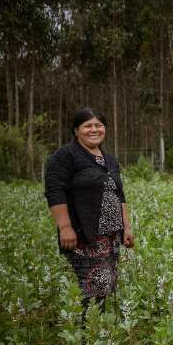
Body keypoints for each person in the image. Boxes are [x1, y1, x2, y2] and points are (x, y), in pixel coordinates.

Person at [44, 108, 134, 320]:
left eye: (99, 125)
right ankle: (87, 338)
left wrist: (126, 226)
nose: (94, 129)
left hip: (111, 237)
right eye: (88, 126)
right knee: (92, 288)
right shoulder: (65, 156)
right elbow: (55, 191)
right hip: (85, 236)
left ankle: (99, 335)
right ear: (76, 131)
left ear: (104, 129)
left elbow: (119, 194)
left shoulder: (109, 159)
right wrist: (65, 227)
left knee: (105, 286)